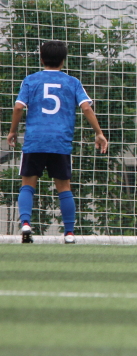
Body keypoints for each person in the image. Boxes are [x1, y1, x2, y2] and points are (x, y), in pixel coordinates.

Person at [7, 40, 109, 244]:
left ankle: (25, 223)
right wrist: (99, 133)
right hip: (60, 142)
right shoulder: (72, 82)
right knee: (64, 188)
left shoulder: (31, 80)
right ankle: (69, 233)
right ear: (63, 60)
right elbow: (86, 107)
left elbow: (18, 107)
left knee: (27, 184)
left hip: (35, 140)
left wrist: (13, 131)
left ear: (41, 59)